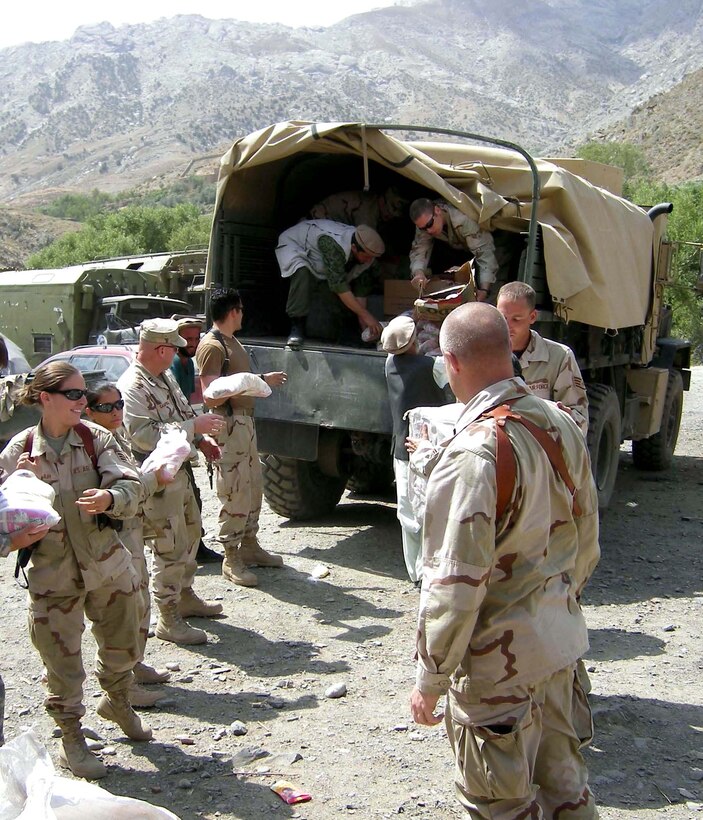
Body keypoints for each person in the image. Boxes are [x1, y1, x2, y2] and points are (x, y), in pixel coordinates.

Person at [409, 303, 600, 818]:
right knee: (568, 792)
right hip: (557, 649)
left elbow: (454, 583)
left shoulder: (472, 453)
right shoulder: (559, 421)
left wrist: (432, 679)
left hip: (498, 672)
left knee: (500, 805)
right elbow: (587, 539)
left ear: (450, 362)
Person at [0, 362, 152, 780]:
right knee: (62, 668)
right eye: (72, 395)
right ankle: (72, 738)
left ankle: (118, 700)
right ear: (45, 398)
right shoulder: (18, 452)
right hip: (53, 579)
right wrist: (15, 531)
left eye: (83, 394)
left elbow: (132, 484)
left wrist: (109, 497)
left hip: (107, 568)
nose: (82, 402)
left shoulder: (94, 437)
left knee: (125, 646)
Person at [117, 319, 225, 646]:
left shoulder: (162, 375)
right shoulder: (133, 386)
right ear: (162, 349)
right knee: (169, 545)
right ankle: (168, 616)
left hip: (180, 470)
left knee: (191, 534)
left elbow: (177, 415)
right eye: (174, 347)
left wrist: (201, 440)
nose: (179, 352)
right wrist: (194, 427)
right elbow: (144, 436)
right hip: (158, 478)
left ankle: (186, 595)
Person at [85, 382, 173, 708]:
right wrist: (154, 480)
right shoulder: (92, 441)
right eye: (107, 407)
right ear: (89, 410)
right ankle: (122, 685)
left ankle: (135, 663)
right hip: (112, 535)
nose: (117, 412)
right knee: (120, 611)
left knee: (140, 598)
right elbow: (120, 493)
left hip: (131, 531)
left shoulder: (115, 436)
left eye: (119, 404)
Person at [196, 288, 287, 587]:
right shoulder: (212, 346)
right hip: (229, 424)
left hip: (244, 424)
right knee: (234, 489)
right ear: (233, 311)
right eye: (241, 310)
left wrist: (259, 383)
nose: (243, 315)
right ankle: (231, 557)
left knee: (252, 486)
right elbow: (211, 392)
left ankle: (249, 545)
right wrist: (257, 383)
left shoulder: (231, 342)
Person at [381, 315, 449, 585]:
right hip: (428, 448)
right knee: (430, 510)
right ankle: (430, 572)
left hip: (401, 450)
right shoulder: (431, 366)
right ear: (413, 341)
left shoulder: (389, 365)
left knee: (407, 512)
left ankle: (416, 573)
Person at [497, 281, 589, 436]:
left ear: (532, 317)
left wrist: (561, 416)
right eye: (502, 317)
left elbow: (580, 423)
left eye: (516, 319)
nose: (507, 325)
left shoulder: (559, 357)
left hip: (541, 451)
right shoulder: (486, 355)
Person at [275, 220, 385, 349]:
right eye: (366, 257)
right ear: (354, 248)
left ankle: (345, 333)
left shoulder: (367, 257)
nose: (369, 261)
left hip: (319, 258)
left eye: (371, 258)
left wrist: (364, 325)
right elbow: (339, 286)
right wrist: (367, 316)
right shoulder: (332, 244)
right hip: (297, 245)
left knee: (342, 291)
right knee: (302, 274)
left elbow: (360, 293)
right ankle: (297, 327)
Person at [170, 315, 222, 564]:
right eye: (187, 338)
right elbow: (176, 409)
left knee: (192, 495)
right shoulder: (173, 365)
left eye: (195, 338)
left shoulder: (188, 363)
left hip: (183, 435)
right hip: (169, 440)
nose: (192, 343)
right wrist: (198, 437)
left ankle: (193, 545)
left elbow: (188, 405)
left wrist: (200, 438)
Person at [408, 197, 498, 301]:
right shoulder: (426, 221)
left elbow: (485, 254)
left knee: (492, 289)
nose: (428, 231)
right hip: (460, 247)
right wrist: (418, 273)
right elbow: (419, 250)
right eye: (423, 228)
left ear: (437, 210)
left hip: (493, 241)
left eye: (429, 225)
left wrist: (484, 290)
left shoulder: (463, 219)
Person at [309, 186, 407, 228]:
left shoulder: (374, 204)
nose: (390, 216)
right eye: (390, 211)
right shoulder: (367, 212)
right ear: (382, 202)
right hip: (317, 223)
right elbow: (366, 246)